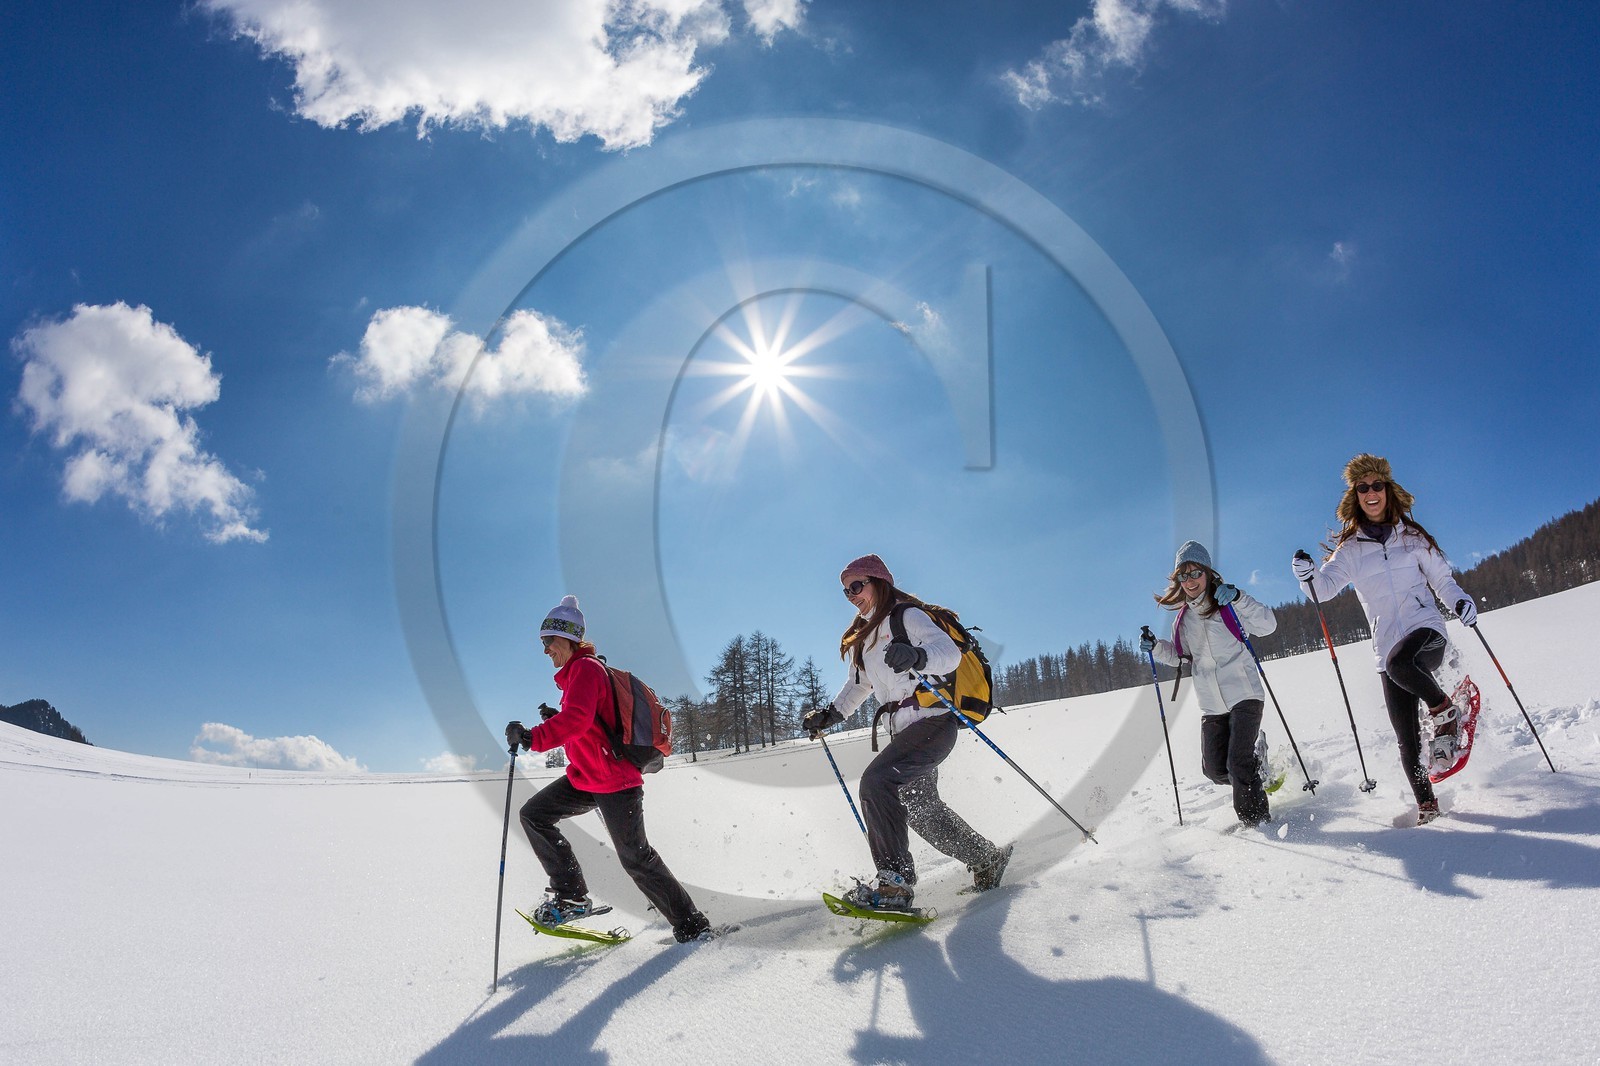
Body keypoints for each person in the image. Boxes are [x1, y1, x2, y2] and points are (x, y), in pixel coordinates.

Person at [801, 554, 1010, 911]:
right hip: (903, 732)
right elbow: (858, 685)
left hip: (933, 721)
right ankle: (986, 858)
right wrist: (830, 715)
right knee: (922, 809)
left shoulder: (906, 616)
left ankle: (894, 884)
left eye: (856, 586)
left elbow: (948, 653)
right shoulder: (863, 638)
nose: (851, 596)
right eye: (846, 591)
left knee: (877, 781)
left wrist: (917, 656)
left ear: (878, 582)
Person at [505, 595, 712, 942]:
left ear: (568, 638)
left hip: (615, 780)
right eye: (542, 643)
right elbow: (588, 727)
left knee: (636, 858)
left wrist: (533, 736)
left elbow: (578, 720)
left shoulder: (586, 669)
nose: (545, 650)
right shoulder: (576, 676)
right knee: (534, 815)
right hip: (588, 777)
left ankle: (693, 926)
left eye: (548, 641)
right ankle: (571, 895)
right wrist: (556, 720)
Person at [1291, 454, 1478, 825]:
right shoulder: (1351, 550)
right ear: (1356, 496)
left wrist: (1460, 602)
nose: (1370, 492)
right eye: (1363, 488)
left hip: (1426, 631)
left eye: (1377, 485)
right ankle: (1427, 808)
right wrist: (1306, 577)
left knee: (1400, 663)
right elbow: (1322, 590)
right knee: (1406, 739)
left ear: (1388, 490)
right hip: (1386, 647)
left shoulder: (1412, 538)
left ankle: (1444, 713)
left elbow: (1442, 580)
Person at [1141, 541, 1279, 827]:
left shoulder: (1228, 604)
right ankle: (1257, 766)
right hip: (1212, 704)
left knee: (1238, 764)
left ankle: (1257, 825)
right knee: (1215, 770)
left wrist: (1239, 597)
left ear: (1207, 572)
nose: (1190, 581)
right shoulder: (1183, 620)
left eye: (1195, 573)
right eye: (1184, 575)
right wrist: (1156, 648)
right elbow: (1181, 657)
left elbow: (1268, 625)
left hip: (1244, 693)